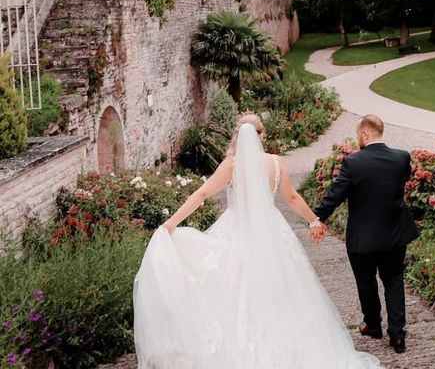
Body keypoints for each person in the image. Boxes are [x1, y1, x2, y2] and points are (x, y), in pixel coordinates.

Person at [133, 112, 381, 368]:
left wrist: (172, 222)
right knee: (283, 290)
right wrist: (314, 221)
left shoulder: (232, 164)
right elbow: (292, 197)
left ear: (237, 137)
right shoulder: (275, 163)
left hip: (236, 230)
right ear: (261, 135)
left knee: (230, 288)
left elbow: (204, 193)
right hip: (273, 233)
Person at [314, 115, 419, 354]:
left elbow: (335, 195)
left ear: (364, 134)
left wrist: (316, 219)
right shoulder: (402, 158)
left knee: (366, 281)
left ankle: (372, 324)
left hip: (363, 238)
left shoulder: (353, 163)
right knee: (394, 280)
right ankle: (397, 336)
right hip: (394, 234)